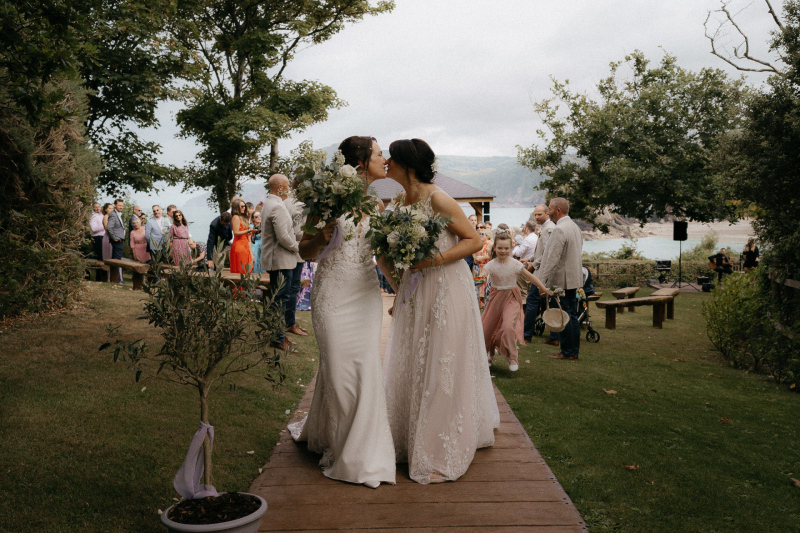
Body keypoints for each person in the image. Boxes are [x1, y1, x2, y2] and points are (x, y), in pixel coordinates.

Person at [382, 138, 499, 485]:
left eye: (392, 157)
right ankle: (407, 436)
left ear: (407, 164)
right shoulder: (400, 201)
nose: (386, 162)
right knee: (415, 358)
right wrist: (400, 285)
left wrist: (430, 260)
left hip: (447, 286)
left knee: (442, 361)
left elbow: (474, 241)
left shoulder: (438, 198)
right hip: (417, 289)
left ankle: (439, 448)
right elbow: (387, 252)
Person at [289, 136, 396, 489]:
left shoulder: (377, 207)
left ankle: (364, 453)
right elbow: (305, 251)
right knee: (338, 371)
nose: (386, 158)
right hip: (333, 294)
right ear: (363, 162)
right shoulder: (327, 201)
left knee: (364, 369)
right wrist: (321, 237)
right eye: (380, 154)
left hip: (365, 294)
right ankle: (337, 441)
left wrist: (405, 289)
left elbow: (380, 256)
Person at [482, 232, 548, 371]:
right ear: (495, 248)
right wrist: (480, 279)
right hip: (495, 298)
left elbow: (530, 277)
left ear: (511, 248)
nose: (503, 251)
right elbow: (482, 276)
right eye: (500, 248)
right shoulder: (491, 265)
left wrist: (543, 287)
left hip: (512, 297)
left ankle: (512, 357)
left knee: (507, 327)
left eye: (506, 248)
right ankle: (490, 354)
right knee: (488, 329)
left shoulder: (515, 264)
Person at [536, 198, 584, 361]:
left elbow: (552, 259)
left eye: (549, 209)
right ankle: (573, 351)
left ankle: (568, 351)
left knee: (564, 315)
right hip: (573, 278)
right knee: (572, 314)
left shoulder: (559, 230)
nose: (548, 212)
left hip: (562, 280)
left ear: (558, 210)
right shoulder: (575, 227)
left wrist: (543, 283)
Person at [260, 175, 300, 352]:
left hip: (276, 259)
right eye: (288, 186)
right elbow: (283, 236)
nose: (290, 189)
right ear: (281, 187)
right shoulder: (277, 206)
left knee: (277, 298)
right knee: (281, 299)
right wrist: (297, 248)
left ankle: (278, 334)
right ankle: (277, 338)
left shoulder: (268, 204)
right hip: (282, 259)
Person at [524, 205, 556, 343]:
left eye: (539, 214)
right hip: (542, 271)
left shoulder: (549, 229)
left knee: (532, 301)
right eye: (535, 215)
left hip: (541, 273)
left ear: (547, 213)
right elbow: (540, 251)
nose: (537, 217)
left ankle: (526, 335)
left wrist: (533, 265)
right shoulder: (544, 228)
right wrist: (530, 259)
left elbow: (548, 253)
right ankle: (554, 336)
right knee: (547, 303)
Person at [284, 181, 309, 337]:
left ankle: (289, 321)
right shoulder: (299, 205)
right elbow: (300, 230)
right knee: (292, 288)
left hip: (288, 249)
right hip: (296, 249)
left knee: (288, 288)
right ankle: (290, 323)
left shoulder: (286, 201)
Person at [230, 199, 256, 273]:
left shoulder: (244, 218)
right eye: (241, 206)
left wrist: (251, 232)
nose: (244, 208)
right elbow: (236, 233)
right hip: (239, 245)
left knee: (247, 268)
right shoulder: (235, 217)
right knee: (240, 269)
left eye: (244, 206)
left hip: (245, 245)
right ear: (236, 207)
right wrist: (249, 230)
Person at [473, 222, 492, 309]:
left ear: (487, 235)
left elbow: (491, 256)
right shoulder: (482, 244)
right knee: (479, 285)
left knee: (485, 285)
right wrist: (476, 258)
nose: (481, 235)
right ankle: (481, 304)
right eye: (480, 234)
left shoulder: (490, 244)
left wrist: (482, 257)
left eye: (482, 234)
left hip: (486, 267)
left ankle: (486, 304)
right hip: (480, 266)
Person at [107, 198, 126, 283]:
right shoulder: (113, 214)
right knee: (116, 260)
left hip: (121, 240)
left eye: (122, 205)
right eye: (119, 205)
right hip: (117, 241)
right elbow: (109, 228)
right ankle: (117, 279)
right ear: (115, 205)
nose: (121, 207)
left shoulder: (118, 214)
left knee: (117, 259)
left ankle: (117, 278)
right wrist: (115, 238)